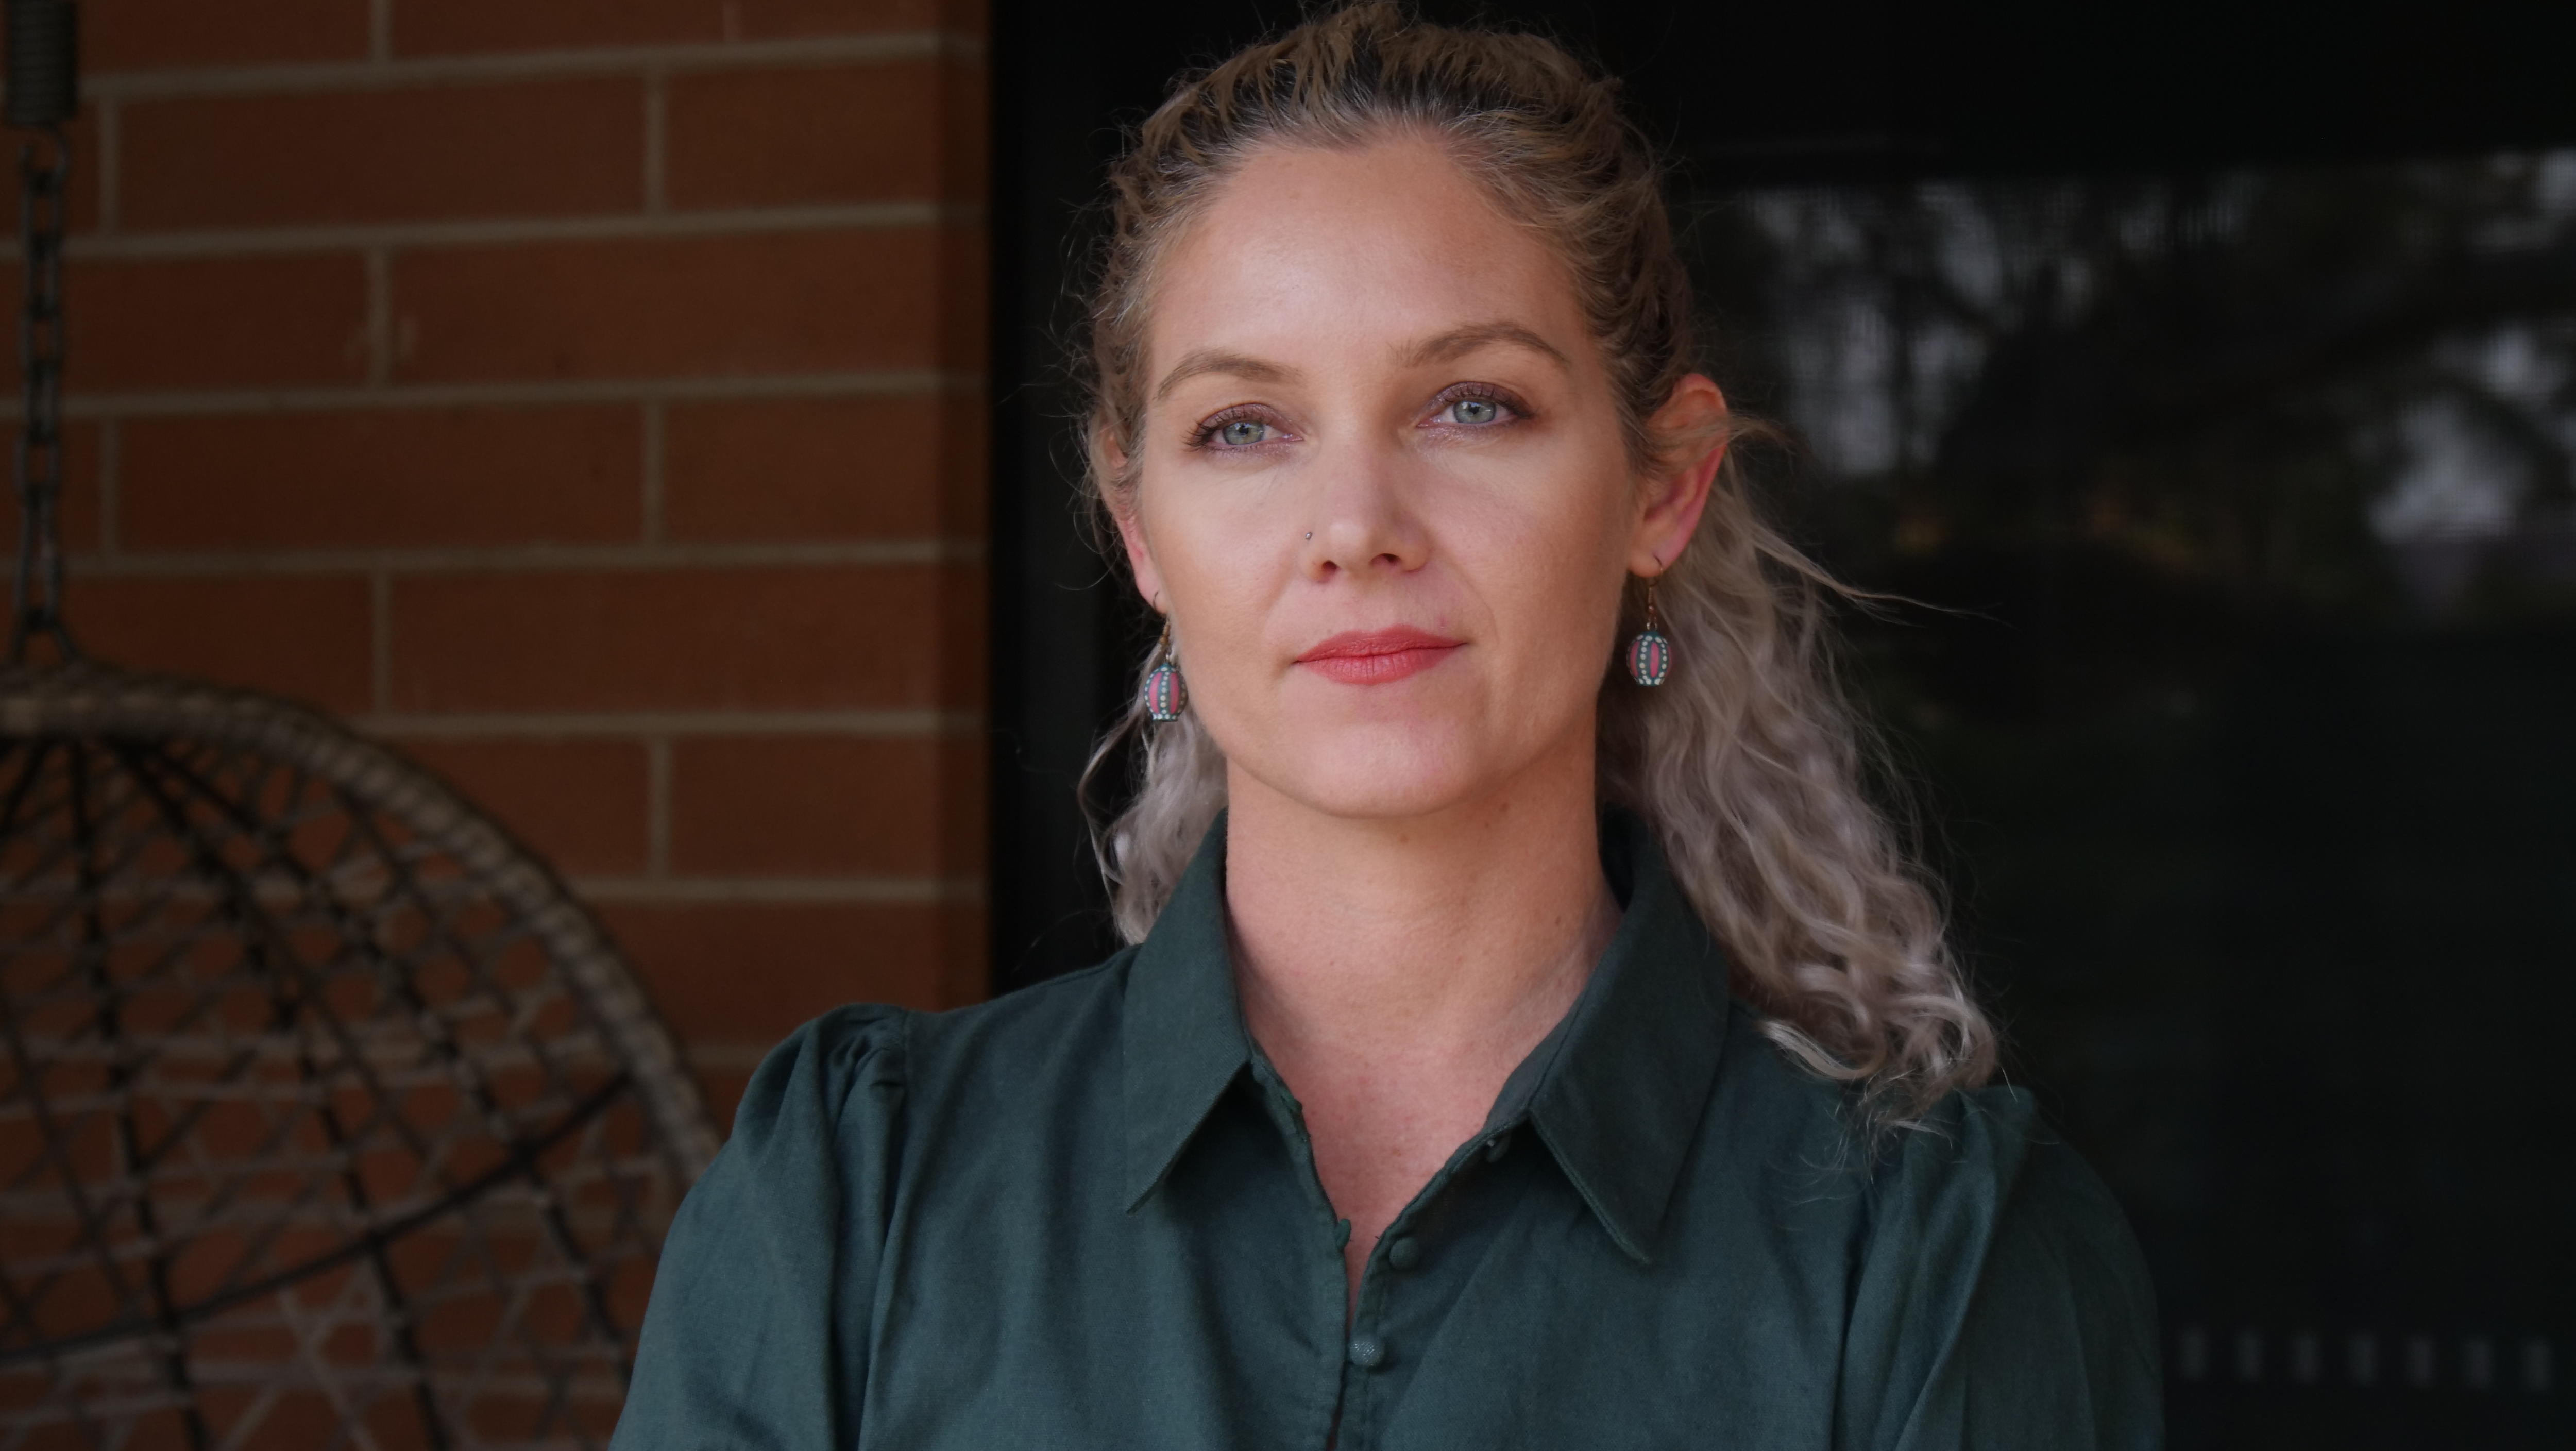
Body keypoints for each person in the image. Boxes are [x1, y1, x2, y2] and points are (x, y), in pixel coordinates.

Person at [612, 5, 2161, 1446]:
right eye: (1243, 428)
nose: (1356, 525)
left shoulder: (1934, 1257)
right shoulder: (853, 1198)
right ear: (1139, 527)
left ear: (1662, 485)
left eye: (1471, 404)